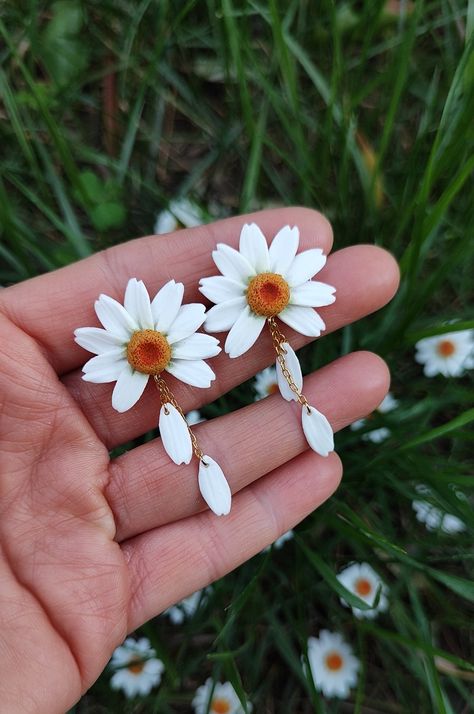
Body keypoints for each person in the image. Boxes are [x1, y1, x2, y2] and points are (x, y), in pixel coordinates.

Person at [0, 207, 399, 713]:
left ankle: (293, 408)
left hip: (198, 339)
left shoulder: (258, 304)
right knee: (207, 444)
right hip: (170, 351)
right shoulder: (138, 352)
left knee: (284, 407)